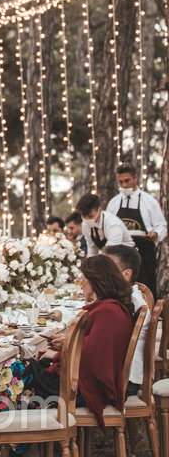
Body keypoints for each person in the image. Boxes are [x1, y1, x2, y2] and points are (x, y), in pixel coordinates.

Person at [0, 256, 135, 455]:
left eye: (83, 280)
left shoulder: (108, 311)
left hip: (85, 389)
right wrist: (62, 347)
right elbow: (93, 348)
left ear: (95, 280)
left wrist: (57, 355)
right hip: (84, 381)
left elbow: (92, 358)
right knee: (21, 368)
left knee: (15, 368)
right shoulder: (109, 308)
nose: (81, 286)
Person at [107, 162, 167, 300]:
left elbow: (161, 226)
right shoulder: (114, 202)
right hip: (120, 255)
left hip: (144, 253)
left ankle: (148, 318)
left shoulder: (149, 201)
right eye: (120, 182)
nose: (124, 185)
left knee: (146, 289)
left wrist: (156, 234)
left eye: (127, 181)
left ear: (135, 178)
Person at [104, 244, 148, 397]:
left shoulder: (129, 304)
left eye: (107, 267)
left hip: (122, 381)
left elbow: (104, 349)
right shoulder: (129, 297)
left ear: (126, 274)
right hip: (123, 375)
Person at [76, 192, 134, 257]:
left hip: (126, 256)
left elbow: (110, 250)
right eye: (83, 216)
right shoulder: (85, 224)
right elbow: (92, 248)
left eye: (90, 216)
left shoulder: (112, 224)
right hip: (108, 257)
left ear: (100, 210)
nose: (87, 220)